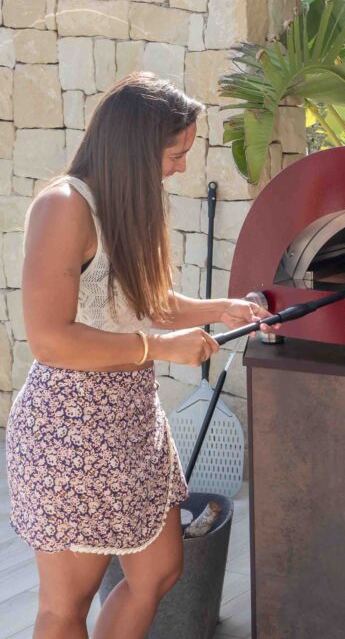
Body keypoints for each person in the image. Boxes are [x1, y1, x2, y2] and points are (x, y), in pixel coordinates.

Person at [5, 73, 274, 638]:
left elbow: (142, 302)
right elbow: (51, 338)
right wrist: (160, 348)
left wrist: (218, 309)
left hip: (131, 424)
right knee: (65, 606)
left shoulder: (125, 206)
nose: (180, 167)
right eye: (176, 154)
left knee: (159, 571)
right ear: (136, 146)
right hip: (71, 431)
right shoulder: (63, 206)